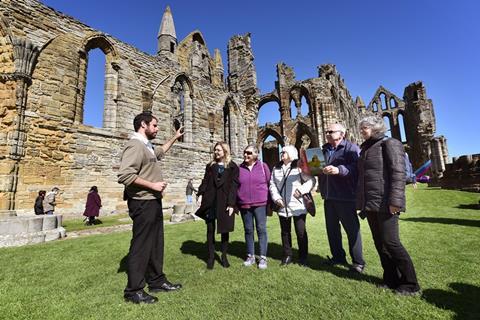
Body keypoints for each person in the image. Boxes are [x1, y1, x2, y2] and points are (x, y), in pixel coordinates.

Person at [118, 111, 183, 304]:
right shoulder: (135, 145)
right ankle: (134, 291)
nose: (157, 128)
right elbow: (125, 175)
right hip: (142, 202)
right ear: (143, 125)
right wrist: (153, 185)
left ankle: (156, 281)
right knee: (142, 245)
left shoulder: (147, 146)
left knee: (156, 243)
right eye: (154, 125)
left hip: (152, 201)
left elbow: (159, 152)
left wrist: (175, 137)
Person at [357, 115, 421, 296]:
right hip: (371, 203)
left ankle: (410, 283)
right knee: (380, 244)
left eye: (365, 128)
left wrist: (395, 202)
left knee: (392, 243)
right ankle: (391, 279)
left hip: (386, 203)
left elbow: (398, 174)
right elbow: (364, 178)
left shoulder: (390, 144)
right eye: (361, 128)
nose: (362, 131)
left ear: (376, 128)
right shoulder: (366, 149)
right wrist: (362, 202)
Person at [319, 123, 365, 273]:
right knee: (332, 230)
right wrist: (308, 167)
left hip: (345, 196)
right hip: (329, 196)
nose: (327, 133)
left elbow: (356, 168)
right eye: (326, 131)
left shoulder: (351, 148)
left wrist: (339, 169)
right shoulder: (324, 150)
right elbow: (317, 168)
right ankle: (338, 257)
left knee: (352, 230)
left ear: (341, 134)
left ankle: (358, 262)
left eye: (331, 131)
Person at [269, 145, 315, 266]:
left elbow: (311, 180)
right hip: (282, 205)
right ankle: (287, 255)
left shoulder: (299, 167)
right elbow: (272, 184)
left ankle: (303, 257)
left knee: (300, 232)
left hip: (298, 205)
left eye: (284, 152)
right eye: (282, 152)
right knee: (285, 232)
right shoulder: (276, 168)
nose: (281, 153)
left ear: (291, 154)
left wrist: (301, 190)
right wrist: (276, 198)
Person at [195, 142, 239, 269]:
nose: (216, 152)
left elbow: (234, 186)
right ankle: (210, 257)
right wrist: (201, 194)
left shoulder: (232, 167)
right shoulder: (210, 166)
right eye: (215, 150)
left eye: (218, 150)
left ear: (225, 151)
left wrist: (231, 204)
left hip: (225, 201)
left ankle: (224, 257)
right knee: (210, 230)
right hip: (211, 200)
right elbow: (205, 181)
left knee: (225, 230)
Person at [236, 144, 270, 269]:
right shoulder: (239, 168)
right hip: (244, 204)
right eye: (245, 152)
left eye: (249, 153)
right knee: (248, 230)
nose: (246, 155)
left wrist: (270, 204)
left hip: (260, 203)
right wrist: (235, 203)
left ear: (256, 154)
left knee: (261, 229)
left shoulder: (262, 167)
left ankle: (262, 257)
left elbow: (269, 183)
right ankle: (250, 255)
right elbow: (235, 187)